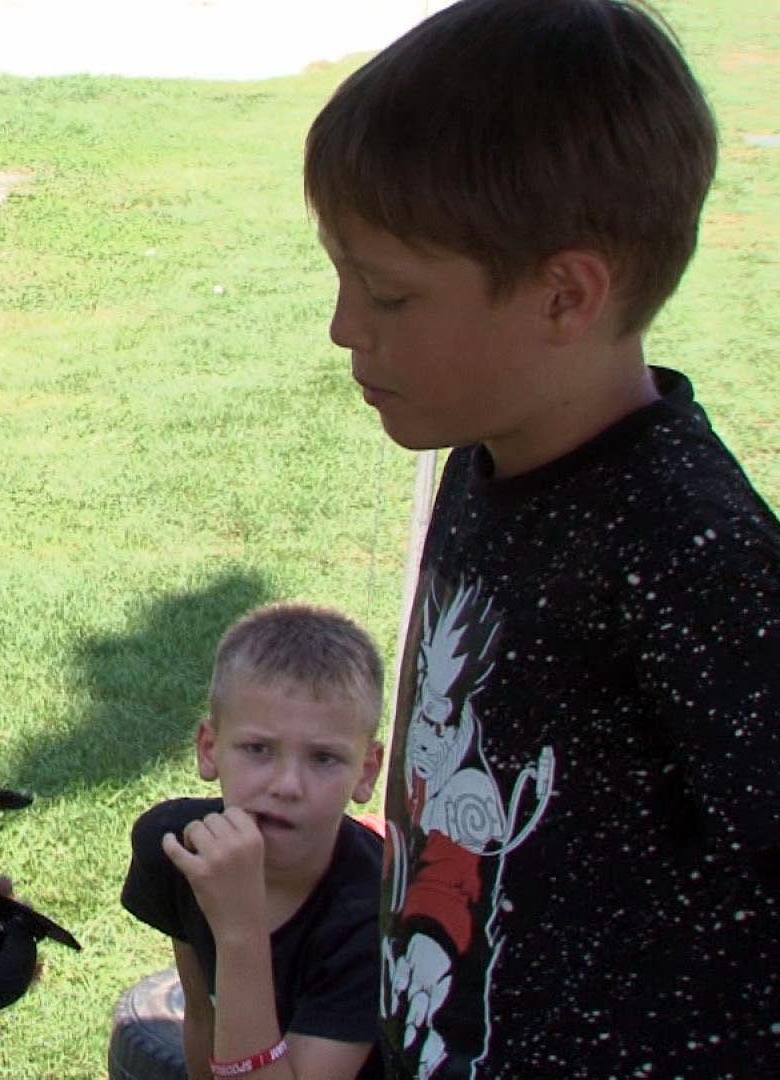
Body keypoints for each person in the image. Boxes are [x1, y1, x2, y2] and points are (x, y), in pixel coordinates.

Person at [305, 1, 780, 1075]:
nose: (343, 325)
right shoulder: (487, 454)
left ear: (565, 294)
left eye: (386, 292)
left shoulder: (688, 545)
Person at [122, 602, 386, 1080]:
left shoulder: (377, 917)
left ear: (366, 772)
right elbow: (202, 1015)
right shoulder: (177, 849)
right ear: (209, 749)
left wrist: (239, 927)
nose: (287, 785)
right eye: (258, 750)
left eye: (324, 758)